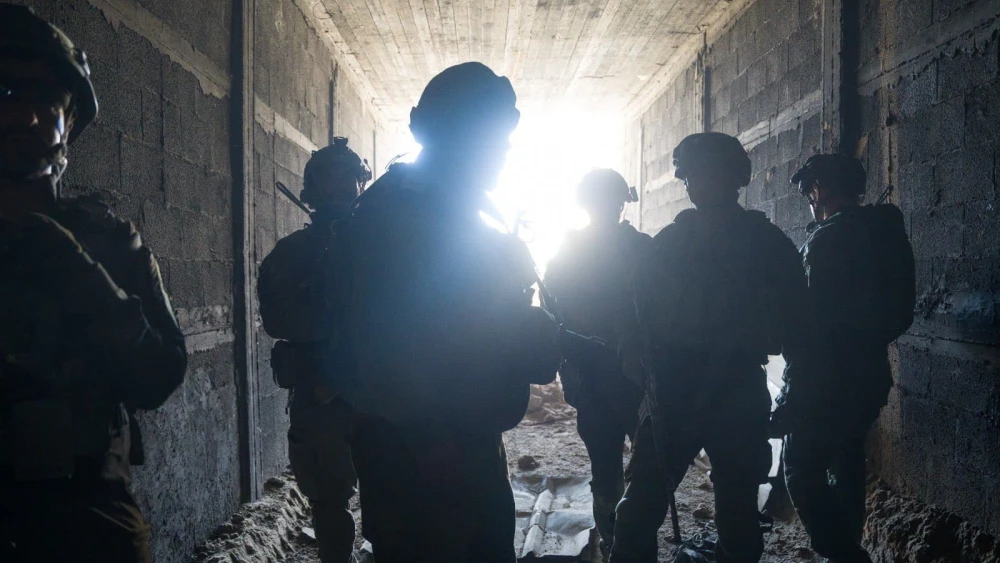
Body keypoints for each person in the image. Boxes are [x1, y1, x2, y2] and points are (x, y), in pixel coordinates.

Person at [345, 62, 560, 563]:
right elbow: (388, 348)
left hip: (462, 441)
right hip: (425, 453)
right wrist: (432, 446)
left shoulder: (454, 207)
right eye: (494, 140)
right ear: (460, 135)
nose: (503, 153)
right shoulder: (402, 214)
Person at [0, 5, 187, 561]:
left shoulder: (108, 242)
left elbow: (159, 376)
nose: (24, 117)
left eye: (43, 97)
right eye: (4, 92)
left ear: (70, 117)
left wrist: (81, 276)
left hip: (84, 520)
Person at [610, 133, 810, 563]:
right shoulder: (668, 245)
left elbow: (799, 328)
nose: (695, 183)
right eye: (690, 175)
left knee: (737, 515)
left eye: (706, 173)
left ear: (734, 178)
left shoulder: (766, 244)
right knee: (638, 510)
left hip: (733, 385)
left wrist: (795, 395)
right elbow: (635, 317)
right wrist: (637, 362)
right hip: (677, 388)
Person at [772, 154, 915, 563]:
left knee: (800, 468)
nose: (809, 201)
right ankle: (846, 545)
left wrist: (792, 391)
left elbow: (808, 326)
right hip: (868, 376)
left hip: (823, 381)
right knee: (847, 459)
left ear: (821, 190)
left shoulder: (828, 240)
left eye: (809, 192)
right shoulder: (881, 232)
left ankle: (846, 556)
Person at [258, 137, 371, 563]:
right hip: (323, 392)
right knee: (328, 497)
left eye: (350, 179)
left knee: (394, 489)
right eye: (331, 180)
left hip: (380, 388)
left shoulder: (383, 247)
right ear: (312, 190)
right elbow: (279, 321)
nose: (342, 188)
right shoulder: (294, 253)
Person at [543, 168, 650, 558]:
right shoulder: (640, 248)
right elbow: (555, 317)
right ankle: (623, 542)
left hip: (616, 377)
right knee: (626, 471)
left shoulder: (573, 252)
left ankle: (619, 541)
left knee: (615, 471)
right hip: (613, 378)